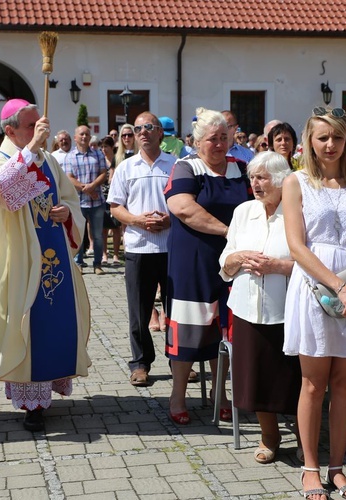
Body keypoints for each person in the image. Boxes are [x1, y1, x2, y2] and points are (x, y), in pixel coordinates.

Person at [282, 107, 346, 500]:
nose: (330, 145)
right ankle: (310, 468)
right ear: (310, 140)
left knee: (345, 384)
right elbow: (296, 245)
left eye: (337, 138)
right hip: (315, 288)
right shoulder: (296, 182)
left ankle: (338, 467)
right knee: (313, 383)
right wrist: (338, 288)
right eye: (322, 137)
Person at [0, 98, 90, 432]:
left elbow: (69, 198)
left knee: (54, 324)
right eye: (30, 126)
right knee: (28, 326)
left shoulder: (47, 161)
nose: (38, 131)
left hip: (54, 256)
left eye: (38, 124)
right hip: (22, 262)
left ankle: (48, 390)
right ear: (10, 129)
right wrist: (29, 149)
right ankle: (31, 404)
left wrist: (66, 214)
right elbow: (5, 193)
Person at [163, 107, 251, 424]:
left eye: (224, 138)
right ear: (198, 142)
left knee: (227, 328)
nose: (219, 144)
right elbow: (184, 209)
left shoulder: (241, 169)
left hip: (234, 262)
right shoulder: (186, 167)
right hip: (193, 262)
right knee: (189, 328)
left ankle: (220, 393)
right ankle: (177, 396)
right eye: (212, 139)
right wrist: (231, 231)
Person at [219, 151, 301, 464]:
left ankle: (305, 437)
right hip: (247, 308)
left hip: (288, 309)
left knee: (294, 378)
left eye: (263, 177)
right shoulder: (243, 212)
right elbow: (224, 261)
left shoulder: (297, 213)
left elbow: (313, 263)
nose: (256, 183)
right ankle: (270, 437)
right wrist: (237, 259)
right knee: (256, 379)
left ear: (282, 181)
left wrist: (279, 266)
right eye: (253, 177)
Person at [108, 112, 175, 386]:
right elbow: (115, 207)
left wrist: (171, 218)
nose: (143, 132)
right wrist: (139, 220)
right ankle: (140, 363)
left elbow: (186, 202)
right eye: (137, 129)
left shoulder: (175, 164)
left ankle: (179, 360)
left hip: (171, 248)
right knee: (139, 310)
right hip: (138, 248)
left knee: (176, 310)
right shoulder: (126, 167)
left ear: (160, 132)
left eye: (148, 127)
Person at [63, 125, 108, 274]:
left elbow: (103, 174)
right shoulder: (69, 157)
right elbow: (69, 178)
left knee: (97, 235)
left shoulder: (98, 154)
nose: (84, 137)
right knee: (78, 234)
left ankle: (97, 264)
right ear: (75, 138)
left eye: (87, 134)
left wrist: (92, 186)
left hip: (97, 202)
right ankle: (79, 263)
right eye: (81, 134)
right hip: (78, 202)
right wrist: (87, 190)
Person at [100, 136, 122, 266]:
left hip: (115, 196)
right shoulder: (100, 161)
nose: (103, 149)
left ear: (112, 147)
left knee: (116, 227)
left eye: (106, 147)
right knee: (103, 227)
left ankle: (116, 255)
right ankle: (104, 254)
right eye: (102, 147)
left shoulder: (117, 160)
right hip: (102, 196)